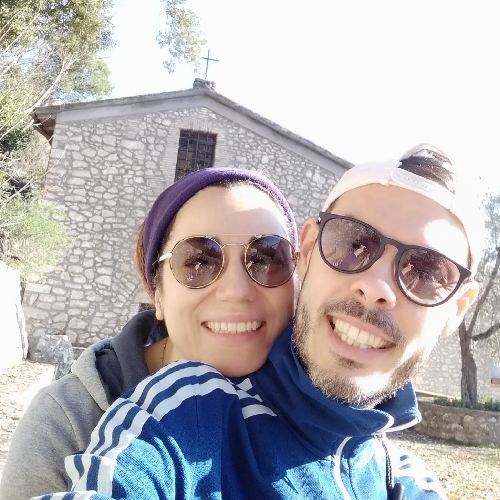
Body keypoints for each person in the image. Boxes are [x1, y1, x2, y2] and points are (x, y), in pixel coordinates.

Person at [35, 144, 480, 500]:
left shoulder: (403, 480)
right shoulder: (184, 414)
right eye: (353, 244)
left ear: (457, 310)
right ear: (310, 251)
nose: (376, 287)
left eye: (426, 273)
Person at [0, 167, 299, 500]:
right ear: (157, 294)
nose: (237, 291)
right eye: (199, 261)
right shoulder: (66, 419)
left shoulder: (316, 416)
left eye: (268, 258)